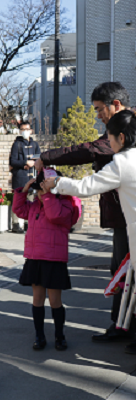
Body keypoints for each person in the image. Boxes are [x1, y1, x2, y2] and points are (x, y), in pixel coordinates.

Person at [34, 82, 133, 348]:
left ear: (115, 105)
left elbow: (90, 157)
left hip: (129, 218)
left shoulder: (124, 140)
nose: (98, 115)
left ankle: (125, 326)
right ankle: (122, 324)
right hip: (123, 217)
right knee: (122, 272)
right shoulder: (122, 134)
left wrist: (52, 167)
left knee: (125, 273)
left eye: (100, 109)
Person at [14, 172, 81, 351]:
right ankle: (39, 335)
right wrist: (23, 191)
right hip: (35, 258)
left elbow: (55, 216)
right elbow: (19, 210)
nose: (38, 193)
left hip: (54, 259)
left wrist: (48, 196)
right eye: (38, 189)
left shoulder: (67, 204)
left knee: (54, 301)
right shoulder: (35, 205)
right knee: (37, 299)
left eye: (42, 188)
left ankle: (59, 336)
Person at [9, 121, 40, 233]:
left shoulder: (35, 144)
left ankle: (29, 223)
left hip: (31, 176)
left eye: (27, 129)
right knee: (17, 200)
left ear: (31, 130)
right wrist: (25, 163)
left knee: (31, 200)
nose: (25, 131)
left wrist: (33, 162)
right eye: (22, 129)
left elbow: (39, 158)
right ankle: (15, 224)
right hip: (19, 176)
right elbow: (12, 161)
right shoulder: (17, 144)